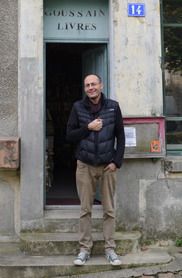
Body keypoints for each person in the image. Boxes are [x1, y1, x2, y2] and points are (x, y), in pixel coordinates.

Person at [66, 74, 125, 266]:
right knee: (85, 210)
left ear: (101, 85)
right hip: (85, 165)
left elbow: (121, 137)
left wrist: (116, 162)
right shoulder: (78, 107)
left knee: (109, 210)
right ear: (85, 88)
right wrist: (88, 127)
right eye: (87, 85)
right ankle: (84, 249)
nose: (91, 88)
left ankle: (110, 250)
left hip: (108, 166)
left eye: (94, 84)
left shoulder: (113, 107)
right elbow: (69, 135)